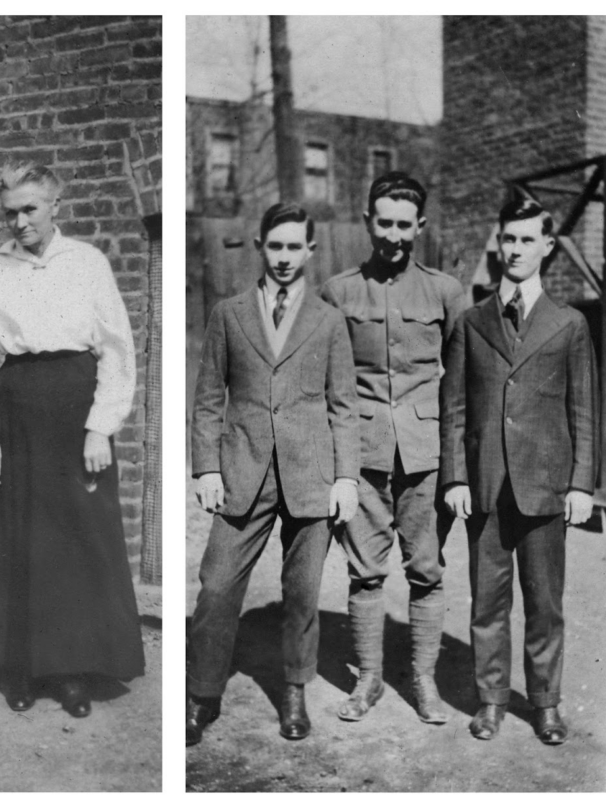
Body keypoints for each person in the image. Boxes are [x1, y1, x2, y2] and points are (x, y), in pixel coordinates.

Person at [0, 163, 144, 717]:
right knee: (16, 538)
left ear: (54, 207)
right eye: (9, 213)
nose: (19, 222)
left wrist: (100, 427)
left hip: (74, 409)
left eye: (29, 210)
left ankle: (70, 672)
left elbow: (116, 349)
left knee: (71, 542)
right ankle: (20, 668)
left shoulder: (86, 263)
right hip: (16, 409)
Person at [185, 202, 359, 745]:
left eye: (294, 247)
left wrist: (347, 478)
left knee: (302, 592)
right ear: (261, 246)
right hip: (244, 470)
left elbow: (343, 406)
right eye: (275, 246)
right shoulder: (228, 313)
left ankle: (293, 692)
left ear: (310, 250)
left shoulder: (329, 320)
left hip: (312, 473)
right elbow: (210, 398)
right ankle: (202, 693)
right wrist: (207, 467)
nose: (284, 258)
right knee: (216, 585)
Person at [440, 198, 597, 744]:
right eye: (508, 238)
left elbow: (584, 410)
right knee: (488, 600)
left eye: (528, 240)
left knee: (545, 603)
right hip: (483, 485)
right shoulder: (471, 322)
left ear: (547, 246)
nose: (515, 250)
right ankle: (490, 700)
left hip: (546, 485)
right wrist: (455, 477)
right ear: (499, 242)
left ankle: (546, 703)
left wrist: (582, 484)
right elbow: (454, 406)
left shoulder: (569, 324)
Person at [320, 172, 465, 724]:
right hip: (362, 455)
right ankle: (369, 680)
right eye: (385, 223)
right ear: (367, 222)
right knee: (365, 571)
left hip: (426, 458)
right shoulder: (338, 291)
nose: (395, 236)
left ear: (420, 227)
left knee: (426, 569)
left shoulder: (445, 292)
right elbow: (328, 382)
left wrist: (455, 466)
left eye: (406, 225)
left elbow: (457, 386)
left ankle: (424, 682)